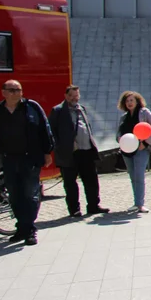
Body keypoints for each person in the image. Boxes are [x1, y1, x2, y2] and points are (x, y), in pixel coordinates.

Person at [0, 80, 53, 245]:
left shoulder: (32, 107)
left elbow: (44, 129)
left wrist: (47, 151)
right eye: (11, 90)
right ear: (3, 92)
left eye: (18, 90)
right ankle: (22, 228)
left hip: (30, 158)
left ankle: (29, 230)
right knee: (15, 196)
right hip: (8, 159)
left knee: (30, 194)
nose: (16, 93)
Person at [49, 85, 107, 218]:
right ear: (66, 96)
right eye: (71, 96)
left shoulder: (82, 109)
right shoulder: (58, 110)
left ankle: (93, 206)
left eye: (76, 96)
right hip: (69, 153)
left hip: (86, 150)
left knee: (91, 180)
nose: (74, 98)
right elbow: (51, 132)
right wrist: (60, 147)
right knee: (70, 183)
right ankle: (74, 209)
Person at [118, 91, 151, 213]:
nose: (129, 103)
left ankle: (140, 204)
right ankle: (136, 202)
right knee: (133, 177)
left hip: (141, 149)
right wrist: (119, 139)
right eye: (127, 101)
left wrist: (146, 143)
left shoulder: (144, 113)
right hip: (127, 150)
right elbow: (119, 132)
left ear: (137, 101)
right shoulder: (124, 117)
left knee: (139, 176)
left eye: (132, 100)